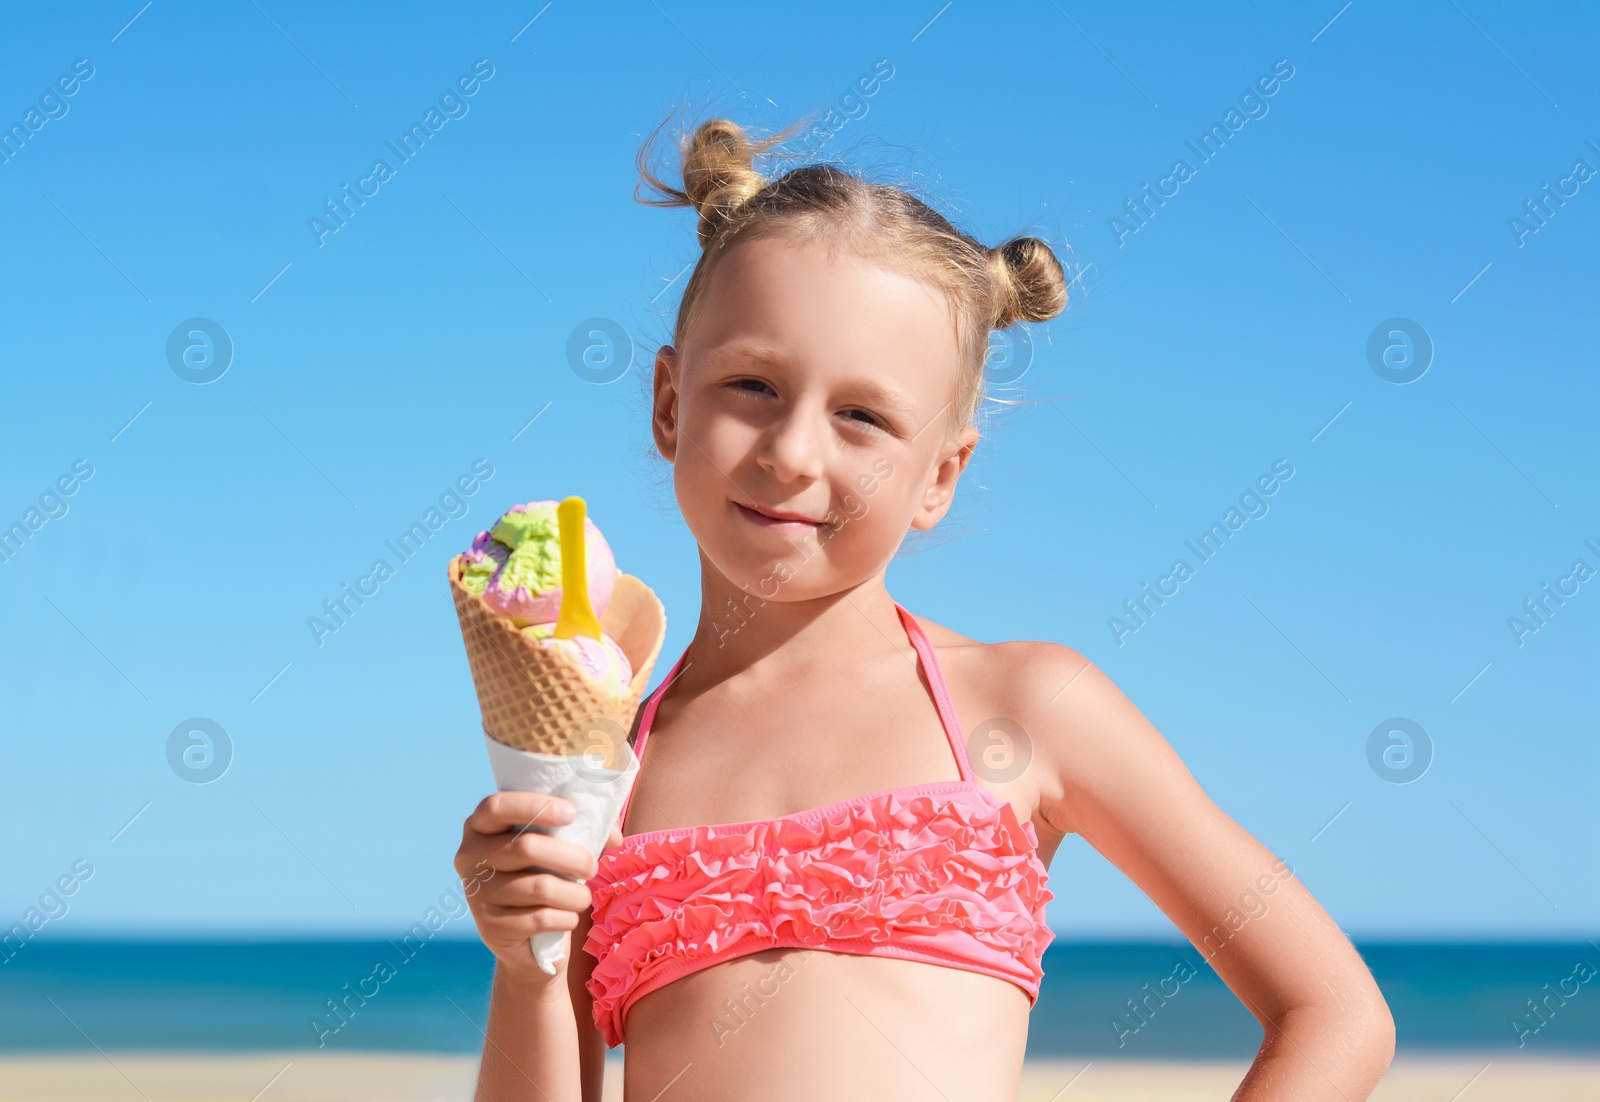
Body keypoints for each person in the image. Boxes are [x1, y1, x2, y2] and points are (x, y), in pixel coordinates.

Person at [455, 114, 1395, 1102]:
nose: (792, 453)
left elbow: (1333, 1014)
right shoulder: (613, 768)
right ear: (666, 405)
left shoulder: (1024, 707)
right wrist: (527, 963)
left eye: (861, 415)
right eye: (751, 386)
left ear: (941, 472)